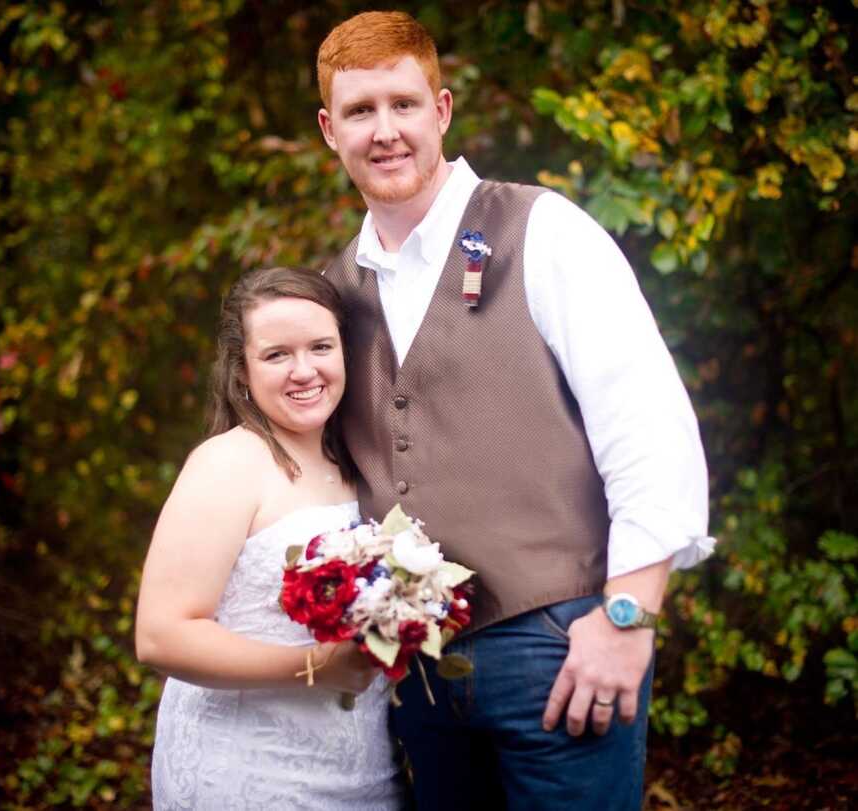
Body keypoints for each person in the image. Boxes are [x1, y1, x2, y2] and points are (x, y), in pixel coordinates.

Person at [317, 11, 715, 811]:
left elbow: (645, 423)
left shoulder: (543, 229)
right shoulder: (333, 290)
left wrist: (628, 617)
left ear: (443, 110)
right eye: (360, 112)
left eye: (404, 103)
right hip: (418, 676)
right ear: (330, 130)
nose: (385, 130)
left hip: (561, 645)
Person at [135, 267, 406, 810]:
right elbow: (161, 636)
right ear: (242, 372)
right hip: (248, 770)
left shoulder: (362, 461)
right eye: (277, 355)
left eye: (320, 347)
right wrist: (315, 668)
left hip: (364, 770)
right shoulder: (228, 464)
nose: (303, 371)